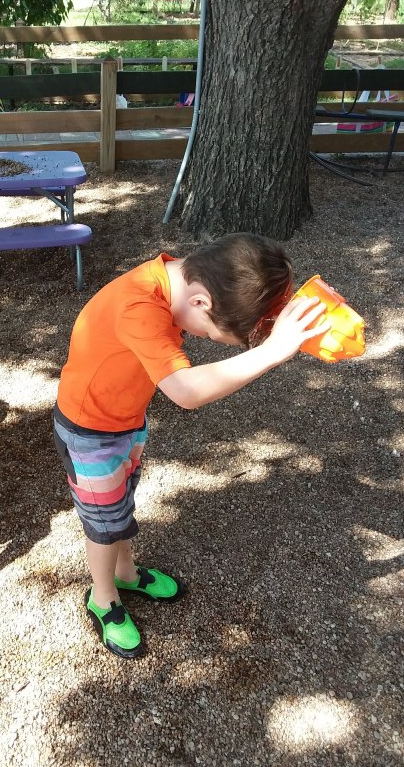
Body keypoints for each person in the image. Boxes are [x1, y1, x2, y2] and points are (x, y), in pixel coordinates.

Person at [53, 233, 329, 659]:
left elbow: (248, 276)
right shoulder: (139, 307)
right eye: (212, 333)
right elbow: (185, 391)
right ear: (200, 301)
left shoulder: (186, 278)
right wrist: (272, 352)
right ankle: (103, 598)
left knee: (120, 503)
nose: (200, 337)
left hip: (125, 419)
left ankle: (125, 573)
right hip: (90, 431)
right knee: (104, 524)